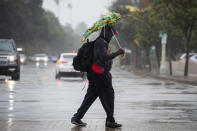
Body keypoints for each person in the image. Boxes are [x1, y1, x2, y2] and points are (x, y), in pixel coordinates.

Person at [71, 24, 125, 128]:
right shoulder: (101, 42)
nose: (112, 36)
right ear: (106, 33)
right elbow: (103, 57)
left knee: (90, 97)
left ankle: (77, 118)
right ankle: (110, 120)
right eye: (112, 34)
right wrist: (117, 52)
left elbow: (102, 59)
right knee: (108, 95)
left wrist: (108, 70)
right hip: (98, 74)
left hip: (96, 73)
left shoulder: (102, 42)